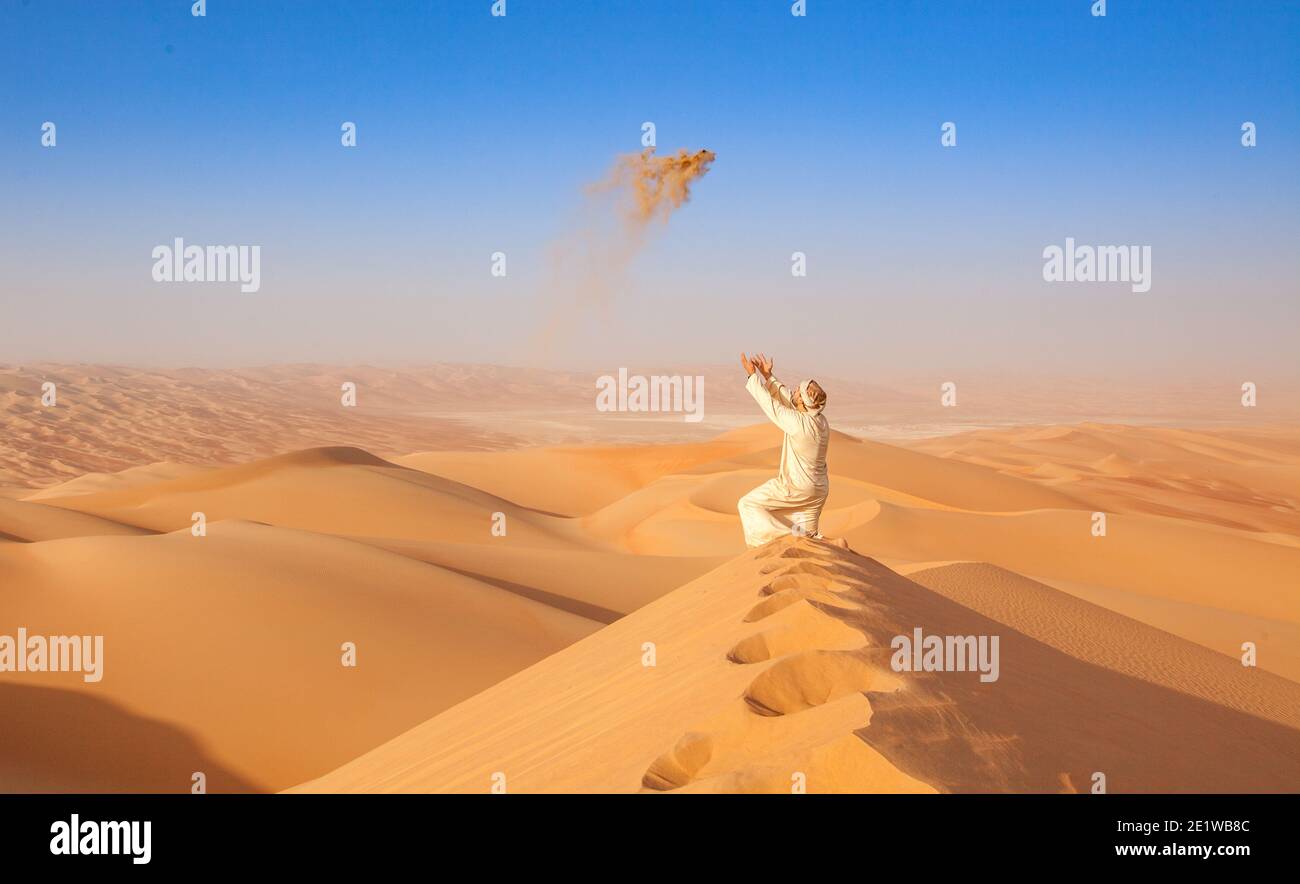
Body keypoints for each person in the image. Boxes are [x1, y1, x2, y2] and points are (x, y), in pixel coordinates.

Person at [736, 352, 832, 547]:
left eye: (798, 391)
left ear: (804, 402)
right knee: (809, 539)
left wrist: (752, 377)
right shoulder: (821, 421)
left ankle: (786, 540)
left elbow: (772, 406)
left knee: (747, 504)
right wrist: (768, 376)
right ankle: (825, 544)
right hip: (818, 490)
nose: (794, 391)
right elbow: (790, 401)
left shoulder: (798, 424)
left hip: (796, 487)